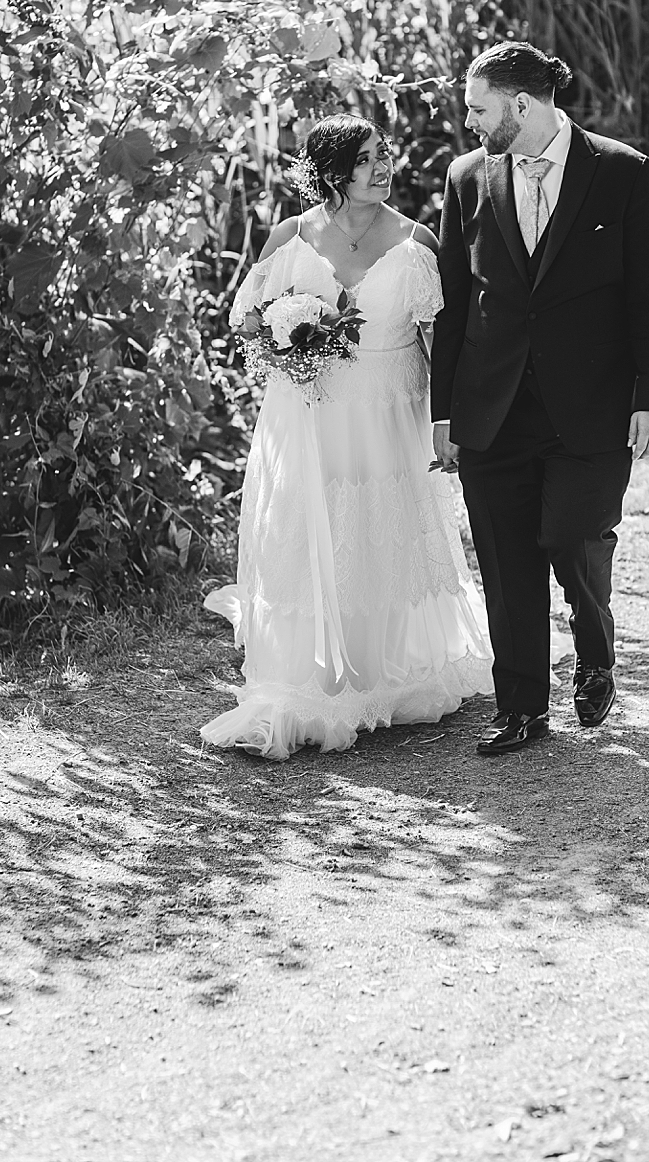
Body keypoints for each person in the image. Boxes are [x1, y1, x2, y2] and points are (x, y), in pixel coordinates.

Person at [202, 115, 492, 760]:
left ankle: (382, 668)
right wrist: (283, 343)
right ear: (332, 171)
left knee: (378, 530)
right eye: (366, 159)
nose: (382, 167)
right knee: (315, 528)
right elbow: (245, 316)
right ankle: (310, 676)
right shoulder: (292, 235)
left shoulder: (416, 242)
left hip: (390, 413)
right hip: (310, 412)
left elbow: (439, 342)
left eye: (385, 154)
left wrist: (450, 422)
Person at [432, 42, 649, 757]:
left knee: (572, 540)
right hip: (492, 405)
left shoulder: (621, 172)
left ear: (520, 104)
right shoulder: (466, 177)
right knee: (507, 564)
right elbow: (453, 303)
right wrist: (444, 413)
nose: (470, 122)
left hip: (592, 406)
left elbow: (648, 294)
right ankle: (522, 711)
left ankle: (596, 650)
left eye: (479, 109)